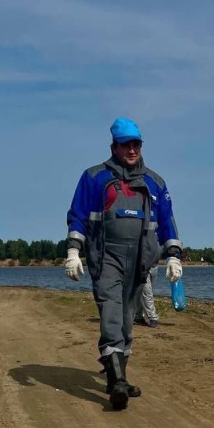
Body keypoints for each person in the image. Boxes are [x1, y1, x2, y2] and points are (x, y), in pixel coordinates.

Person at [65, 118, 182, 410]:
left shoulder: (155, 182)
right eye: (125, 145)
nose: (131, 150)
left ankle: (118, 376)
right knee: (111, 314)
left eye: (136, 144)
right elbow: (78, 215)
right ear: (113, 148)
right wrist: (73, 251)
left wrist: (173, 255)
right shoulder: (94, 177)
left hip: (141, 260)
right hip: (106, 257)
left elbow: (167, 220)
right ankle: (117, 381)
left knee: (128, 321)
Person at [134, 263, 160, 327]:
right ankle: (152, 317)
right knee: (147, 293)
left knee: (142, 291)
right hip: (142, 267)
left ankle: (137, 316)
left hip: (154, 265)